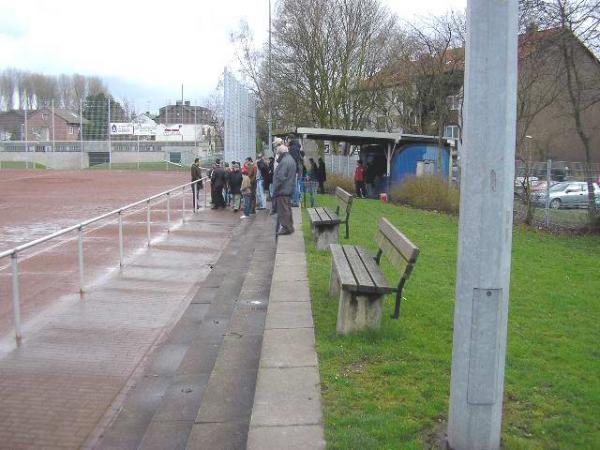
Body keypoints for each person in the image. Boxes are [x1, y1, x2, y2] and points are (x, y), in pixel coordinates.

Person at [273, 143, 297, 235]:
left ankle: (286, 227)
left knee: (283, 209)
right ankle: (290, 226)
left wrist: (276, 188)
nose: (277, 156)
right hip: (288, 188)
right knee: (287, 208)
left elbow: (281, 177)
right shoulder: (290, 159)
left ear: (281, 153)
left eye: (278, 154)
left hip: (282, 190)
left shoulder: (284, 162)